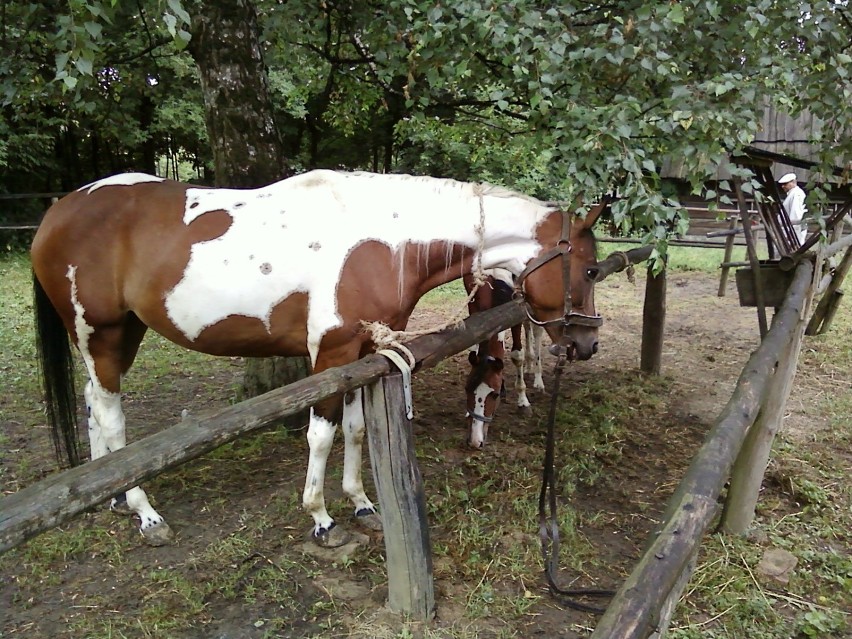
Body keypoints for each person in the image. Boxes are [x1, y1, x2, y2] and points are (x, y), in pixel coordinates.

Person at [778, 172, 808, 244]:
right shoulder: (792, 194)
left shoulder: (796, 194)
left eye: (785, 184)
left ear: (793, 182)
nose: (783, 186)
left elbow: (795, 214)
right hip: (789, 229)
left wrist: (791, 233)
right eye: (782, 184)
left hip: (793, 231)